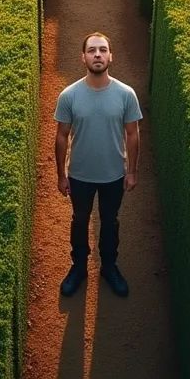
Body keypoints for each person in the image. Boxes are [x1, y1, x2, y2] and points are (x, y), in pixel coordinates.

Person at [54, 32, 142, 298]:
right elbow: (61, 135)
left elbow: (133, 133)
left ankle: (109, 267)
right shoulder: (69, 96)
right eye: (92, 50)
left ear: (110, 56)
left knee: (110, 221)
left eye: (102, 50)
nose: (97, 55)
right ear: (83, 57)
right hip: (79, 175)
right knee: (79, 221)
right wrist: (61, 175)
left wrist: (132, 172)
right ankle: (79, 267)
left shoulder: (126, 94)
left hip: (114, 175)